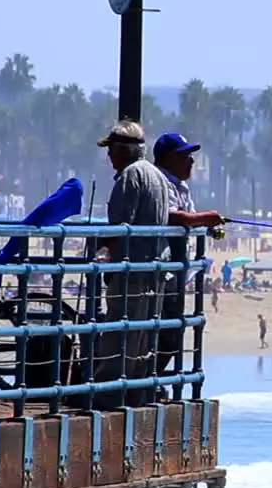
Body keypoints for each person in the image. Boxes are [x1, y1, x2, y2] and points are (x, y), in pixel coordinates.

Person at [94, 120, 170, 409]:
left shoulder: (129, 177)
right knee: (144, 339)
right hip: (156, 269)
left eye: (111, 150)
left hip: (133, 269)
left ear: (123, 150)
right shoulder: (157, 176)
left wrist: (101, 251)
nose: (109, 157)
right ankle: (139, 395)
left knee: (118, 335)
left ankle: (108, 399)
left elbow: (120, 227)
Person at [153, 132, 226, 381]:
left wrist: (207, 223)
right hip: (161, 270)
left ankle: (151, 381)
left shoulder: (180, 185)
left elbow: (190, 218)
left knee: (172, 333)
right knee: (160, 333)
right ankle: (145, 382)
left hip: (176, 274)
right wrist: (206, 217)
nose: (191, 162)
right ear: (168, 159)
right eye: (185, 156)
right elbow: (173, 217)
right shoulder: (161, 182)